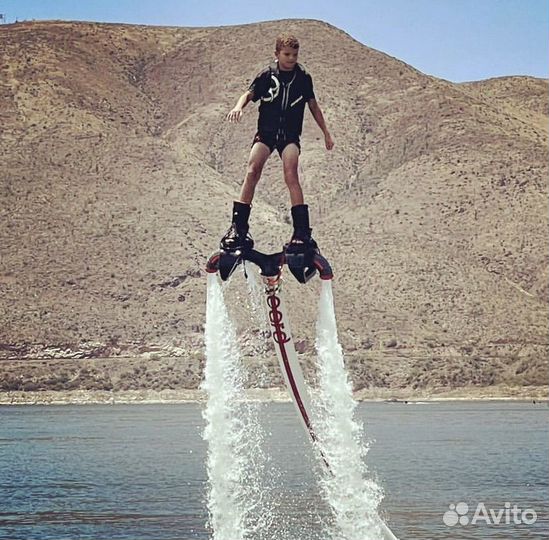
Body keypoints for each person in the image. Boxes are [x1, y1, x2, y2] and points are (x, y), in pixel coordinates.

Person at [221, 33, 334, 255]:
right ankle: (238, 228)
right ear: (277, 54)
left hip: (289, 135)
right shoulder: (267, 75)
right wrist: (238, 107)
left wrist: (326, 133)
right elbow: (249, 93)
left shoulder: (303, 77)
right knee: (252, 171)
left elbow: (313, 106)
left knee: (291, 174)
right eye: (287, 54)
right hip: (267, 132)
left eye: (295, 55)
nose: (291, 58)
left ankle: (301, 231)